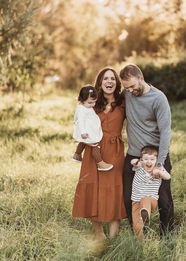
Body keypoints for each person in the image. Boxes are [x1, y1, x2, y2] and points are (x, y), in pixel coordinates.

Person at [119, 64, 174, 237]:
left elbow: (166, 132)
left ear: (141, 78)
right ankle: (138, 234)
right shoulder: (127, 94)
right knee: (129, 199)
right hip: (134, 156)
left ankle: (166, 236)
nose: (130, 90)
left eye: (132, 86)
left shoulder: (158, 98)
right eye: (126, 87)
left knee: (164, 200)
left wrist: (159, 164)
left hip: (155, 157)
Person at [72, 67, 126, 240]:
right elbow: (80, 118)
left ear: (117, 82)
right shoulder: (93, 102)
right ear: (100, 83)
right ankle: (99, 233)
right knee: (93, 188)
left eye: (112, 78)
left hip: (115, 150)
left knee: (115, 190)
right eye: (105, 79)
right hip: (94, 150)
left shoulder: (123, 102)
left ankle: (113, 237)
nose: (109, 81)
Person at [131, 145, 171, 239]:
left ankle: (145, 216)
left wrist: (159, 172)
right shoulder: (139, 168)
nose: (149, 162)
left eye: (152, 159)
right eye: (146, 159)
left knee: (145, 199)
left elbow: (168, 176)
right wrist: (137, 162)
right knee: (137, 224)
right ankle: (141, 242)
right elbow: (132, 161)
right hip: (136, 201)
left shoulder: (158, 169)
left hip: (151, 200)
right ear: (141, 159)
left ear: (156, 161)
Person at [72, 85, 113, 171]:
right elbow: (80, 121)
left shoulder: (85, 106)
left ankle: (77, 155)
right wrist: (83, 132)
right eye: (90, 103)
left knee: (83, 142)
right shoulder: (82, 109)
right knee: (95, 144)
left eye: (94, 102)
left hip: (89, 129)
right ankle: (100, 163)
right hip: (86, 131)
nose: (93, 105)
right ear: (81, 100)